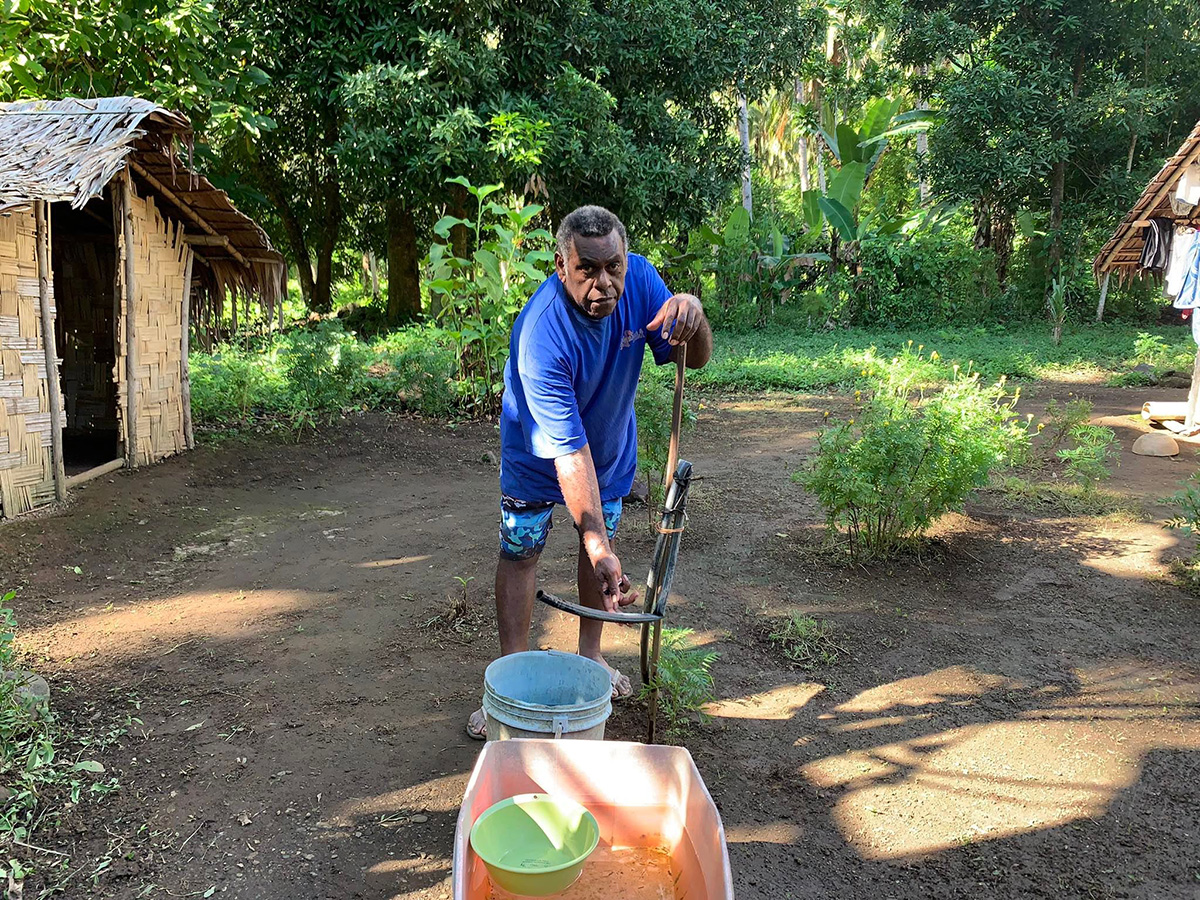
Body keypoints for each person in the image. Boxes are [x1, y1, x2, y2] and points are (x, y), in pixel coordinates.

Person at [466, 205, 712, 740]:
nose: (604, 283)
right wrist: (599, 543)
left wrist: (694, 315)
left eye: (613, 268)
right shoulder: (542, 332)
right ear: (562, 264)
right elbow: (566, 453)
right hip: (538, 459)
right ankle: (511, 678)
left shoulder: (642, 279)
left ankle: (592, 655)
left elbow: (694, 359)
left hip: (609, 454)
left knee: (594, 552)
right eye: (588, 270)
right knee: (522, 551)